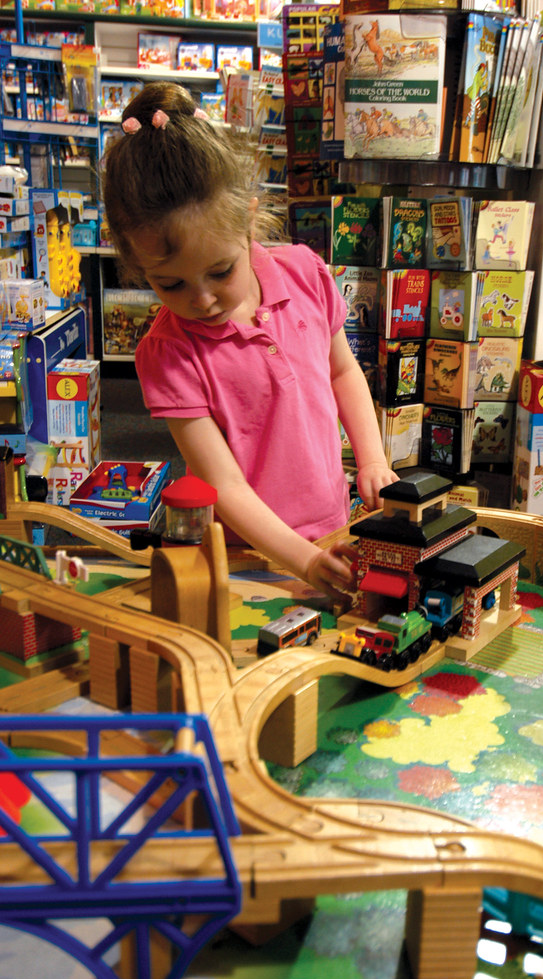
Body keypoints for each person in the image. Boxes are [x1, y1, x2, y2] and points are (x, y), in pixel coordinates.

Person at [103, 82, 398, 601]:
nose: (202, 300)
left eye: (221, 271)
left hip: (334, 525)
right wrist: (304, 560)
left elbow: (342, 371)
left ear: (248, 219)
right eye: (170, 284)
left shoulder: (305, 273)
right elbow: (224, 485)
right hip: (248, 557)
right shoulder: (169, 353)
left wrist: (372, 459)